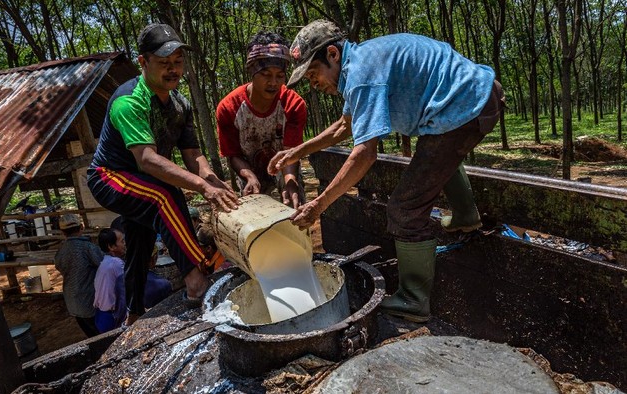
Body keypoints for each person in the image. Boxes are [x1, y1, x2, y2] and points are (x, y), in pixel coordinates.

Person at [269, 20, 505, 323]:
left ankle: (413, 299)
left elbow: (365, 154)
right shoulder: (363, 62)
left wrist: (319, 204)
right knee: (438, 155)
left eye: (313, 74)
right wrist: (297, 151)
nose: (314, 84)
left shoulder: (362, 75)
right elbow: (345, 126)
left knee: (404, 209)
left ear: (332, 54)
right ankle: (465, 216)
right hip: (478, 97)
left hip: (467, 105)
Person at [87, 23, 238, 325]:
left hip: (141, 181)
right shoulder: (128, 101)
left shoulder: (180, 105)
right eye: (164, 63)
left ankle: (133, 312)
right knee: (164, 196)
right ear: (143, 62)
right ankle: (197, 280)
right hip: (109, 176)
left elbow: (194, 156)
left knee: (139, 241)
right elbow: (148, 161)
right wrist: (200, 188)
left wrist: (215, 183)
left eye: (178, 63)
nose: (173, 70)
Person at [217, 31, 307, 208]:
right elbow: (233, 155)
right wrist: (249, 176)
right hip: (249, 168)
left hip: (286, 165)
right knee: (255, 217)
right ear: (252, 71)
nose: (273, 82)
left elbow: (291, 151)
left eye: (280, 75)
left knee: (296, 204)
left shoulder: (294, 105)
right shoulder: (229, 108)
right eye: (266, 74)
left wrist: (290, 179)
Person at [54, 214, 103, 337]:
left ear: (63, 232)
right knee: (100, 334)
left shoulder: (61, 251)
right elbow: (102, 264)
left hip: (72, 301)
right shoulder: (88, 248)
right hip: (89, 300)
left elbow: (59, 267)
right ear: (81, 227)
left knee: (89, 334)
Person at [93, 228, 127, 333]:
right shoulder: (116, 263)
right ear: (111, 247)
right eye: (122, 241)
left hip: (101, 315)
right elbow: (127, 286)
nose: (125, 244)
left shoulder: (106, 261)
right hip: (111, 316)